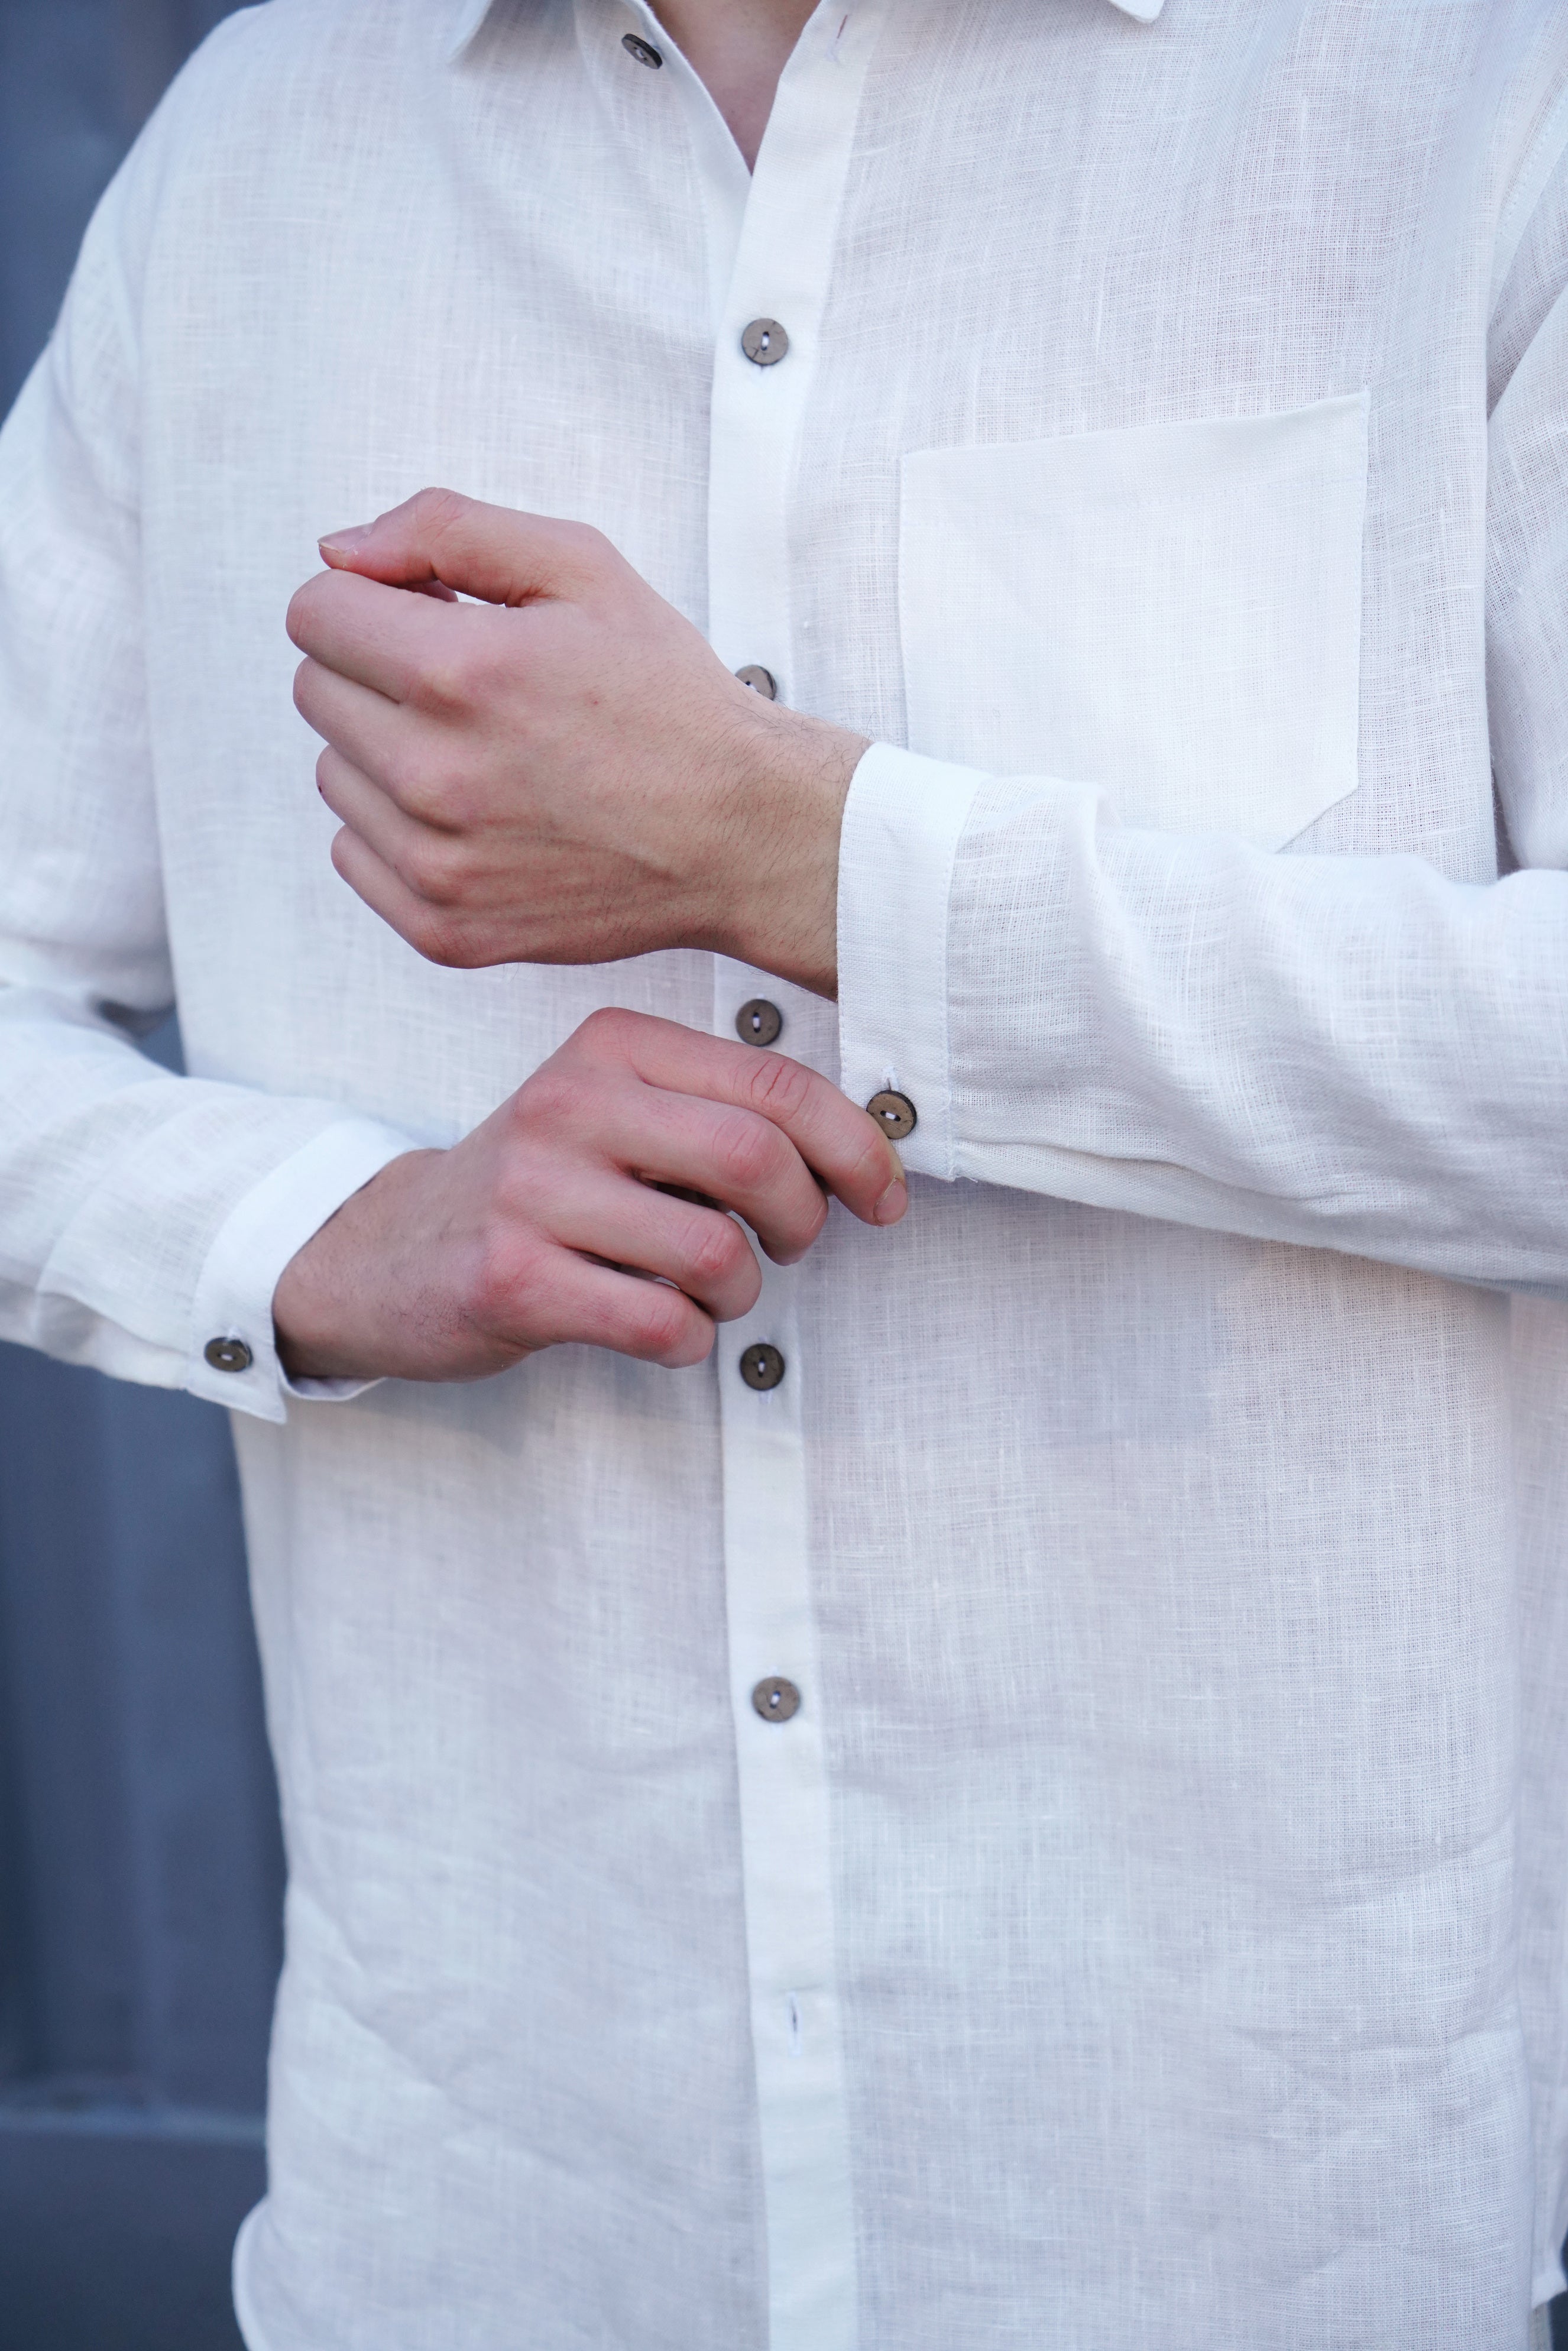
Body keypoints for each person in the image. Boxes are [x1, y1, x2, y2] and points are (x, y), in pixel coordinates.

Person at [2, 0, 1567, 2341]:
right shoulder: (259, 149)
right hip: (479, 2229)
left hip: (1251, 2235)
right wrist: (315, 1235)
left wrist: (815, 860)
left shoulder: (1474, 87)